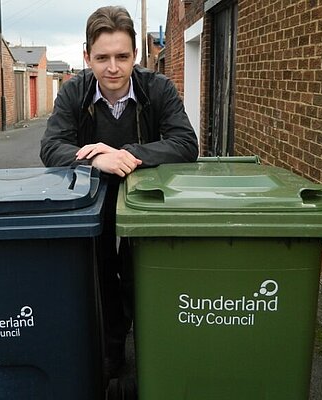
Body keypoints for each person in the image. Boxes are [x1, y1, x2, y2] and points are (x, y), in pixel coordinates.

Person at [40, 5, 198, 378]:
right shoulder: (73, 91)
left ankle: (151, 351)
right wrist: (95, 160)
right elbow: (51, 147)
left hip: (143, 202)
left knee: (137, 274)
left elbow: (185, 143)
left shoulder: (157, 88)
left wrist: (128, 154)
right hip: (90, 200)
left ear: (135, 56)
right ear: (86, 57)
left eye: (122, 56)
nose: (113, 67)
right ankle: (112, 350)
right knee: (98, 275)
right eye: (102, 57)